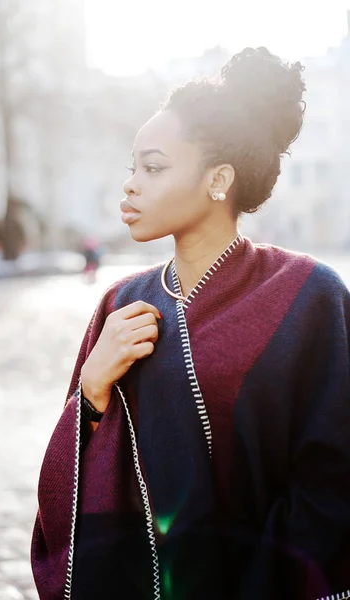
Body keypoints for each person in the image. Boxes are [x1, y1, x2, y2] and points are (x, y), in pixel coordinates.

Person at [31, 47, 350, 600]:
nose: (131, 185)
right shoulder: (119, 303)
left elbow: (334, 479)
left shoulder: (309, 294)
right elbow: (74, 484)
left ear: (219, 178)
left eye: (153, 167)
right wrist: (92, 392)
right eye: (132, 168)